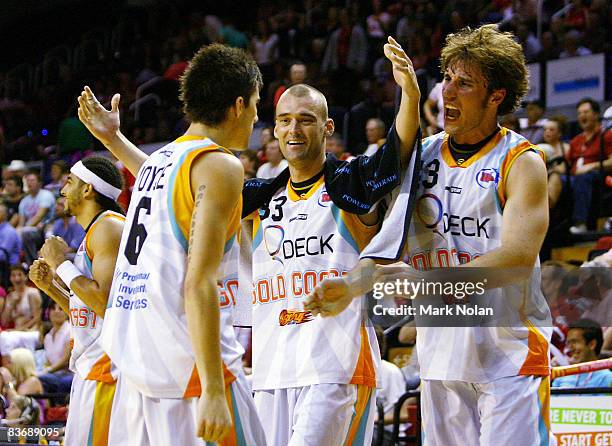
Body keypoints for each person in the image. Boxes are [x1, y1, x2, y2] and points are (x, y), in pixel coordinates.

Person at [78, 36, 420, 446]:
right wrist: (115, 142)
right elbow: (175, 181)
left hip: (334, 365)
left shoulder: (348, 183)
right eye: (283, 119)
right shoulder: (259, 193)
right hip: (273, 367)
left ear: (328, 128)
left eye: (306, 119)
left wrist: (410, 95)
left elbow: (395, 157)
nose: (293, 128)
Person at [308, 25, 555, 445]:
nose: (449, 94)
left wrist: (422, 281)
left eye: (465, 84)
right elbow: (387, 245)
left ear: (496, 96)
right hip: (441, 358)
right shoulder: (420, 156)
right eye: (447, 79)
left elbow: (515, 261)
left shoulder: (521, 161)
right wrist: (350, 286)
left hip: (509, 358)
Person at [76, 44, 267, 445]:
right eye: (255, 104)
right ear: (237, 105)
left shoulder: (162, 160)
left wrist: (114, 140)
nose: (255, 116)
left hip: (138, 368)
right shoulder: (221, 164)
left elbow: (168, 186)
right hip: (190, 366)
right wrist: (214, 389)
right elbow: (199, 283)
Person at [29, 156, 125, 445]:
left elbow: (105, 306)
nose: (61, 190)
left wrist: (60, 264)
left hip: (108, 370)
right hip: (90, 367)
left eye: (69, 181)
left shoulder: (109, 227)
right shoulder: (94, 233)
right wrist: (52, 289)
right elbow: (87, 311)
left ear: (88, 190)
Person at [566, 98, 612, 234]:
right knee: (555, 179)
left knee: (584, 178)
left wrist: (591, 166)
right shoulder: (576, 141)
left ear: (596, 115)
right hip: (574, 176)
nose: (582, 116)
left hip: (598, 177)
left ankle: (580, 223)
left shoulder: (606, 135)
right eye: (579, 113)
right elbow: (567, 165)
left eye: (586, 112)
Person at [552, 319, 612, 388]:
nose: (570, 348)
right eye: (568, 343)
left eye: (574, 342)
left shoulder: (607, 378)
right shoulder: (561, 377)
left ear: (592, 344)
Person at [16, 172, 55, 264]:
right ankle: (22, 265)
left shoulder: (46, 195)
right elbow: (21, 222)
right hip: (31, 229)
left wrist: (23, 229)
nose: (29, 183)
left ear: (39, 183)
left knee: (25, 232)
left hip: (45, 227)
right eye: (28, 180)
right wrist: (18, 231)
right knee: (17, 233)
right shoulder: (24, 201)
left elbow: (39, 216)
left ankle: (35, 263)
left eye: (32, 180)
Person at [37, 302, 72, 394]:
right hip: (54, 373)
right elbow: (48, 361)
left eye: (60, 308)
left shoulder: (70, 331)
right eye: (53, 308)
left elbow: (65, 360)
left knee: (39, 378)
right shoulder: (48, 336)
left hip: (68, 373)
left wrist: (47, 371)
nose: (56, 311)